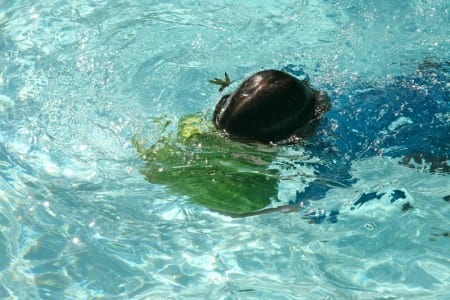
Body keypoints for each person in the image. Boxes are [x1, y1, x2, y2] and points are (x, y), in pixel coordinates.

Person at [134, 63, 449, 219]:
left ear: (291, 138)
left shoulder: (335, 144)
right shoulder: (297, 84)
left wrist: (256, 214)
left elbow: (318, 197)